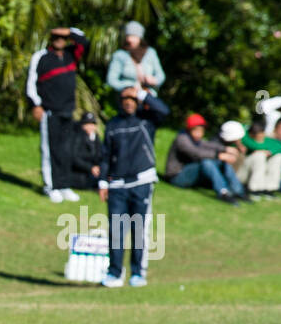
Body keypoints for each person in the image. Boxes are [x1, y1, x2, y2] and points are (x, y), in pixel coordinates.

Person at [98, 86, 170, 288]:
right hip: (117, 185)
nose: (128, 102)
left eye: (132, 98)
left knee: (139, 229)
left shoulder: (147, 120)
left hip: (142, 182)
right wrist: (103, 181)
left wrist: (142, 93)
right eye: (125, 98)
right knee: (116, 231)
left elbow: (164, 111)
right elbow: (106, 155)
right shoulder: (113, 124)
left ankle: (138, 273)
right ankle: (114, 273)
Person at [26, 25, 88, 202]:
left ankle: (64, 184)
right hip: (49, 111)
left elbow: (84, 41)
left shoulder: (70, 54)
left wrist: (69, 31)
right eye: (56, 37)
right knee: (50, 150)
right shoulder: (41, 57)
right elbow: (30, 84)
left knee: (66, 149)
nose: (59, 40)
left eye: (62, 38)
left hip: (68, 110)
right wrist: (36, 105)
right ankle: (50, 186)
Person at [165, 113, 245, 204]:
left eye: (201, 131)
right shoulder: (182, 139)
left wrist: (226, 149)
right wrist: (220, 155)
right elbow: (196, 153)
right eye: (197, 131)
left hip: (188, 173)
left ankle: (238, 191)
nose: (200, 134)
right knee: (206, 162)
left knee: (220, 162)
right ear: (189, 129)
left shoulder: (194, 139)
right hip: (176, 176)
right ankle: (223, 192)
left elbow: (207, 144)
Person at [105, 21, 165, 97]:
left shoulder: (150, 53)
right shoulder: (120, 55)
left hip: (148, 95)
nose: (130, 39)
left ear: (140, 37)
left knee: (163, 109)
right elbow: (111, 80)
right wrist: (130, 85)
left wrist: (154, 80)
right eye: (128, 36)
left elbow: (161, 75)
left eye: (133, 36)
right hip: (128, 96)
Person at [238, 120, 281, 199]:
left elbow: (280, 146)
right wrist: (262, 150)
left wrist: (270, 152)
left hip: (256, 169)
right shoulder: (244, 136)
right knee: (259, 155)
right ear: (252, 134)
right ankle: (254, 190)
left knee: (278, 156)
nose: (262, 138)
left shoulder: (264, 138)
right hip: (241, 172)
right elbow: (254, 146)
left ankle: (269, 189)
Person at [71, 112, 104, 191]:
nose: (90, 127)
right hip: (80, 174)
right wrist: (90, 168)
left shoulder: (96, 138)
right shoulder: (77, 138)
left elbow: (100, 155)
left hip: (93, 172)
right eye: (87, 124)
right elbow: (75, 158)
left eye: (92, 124)